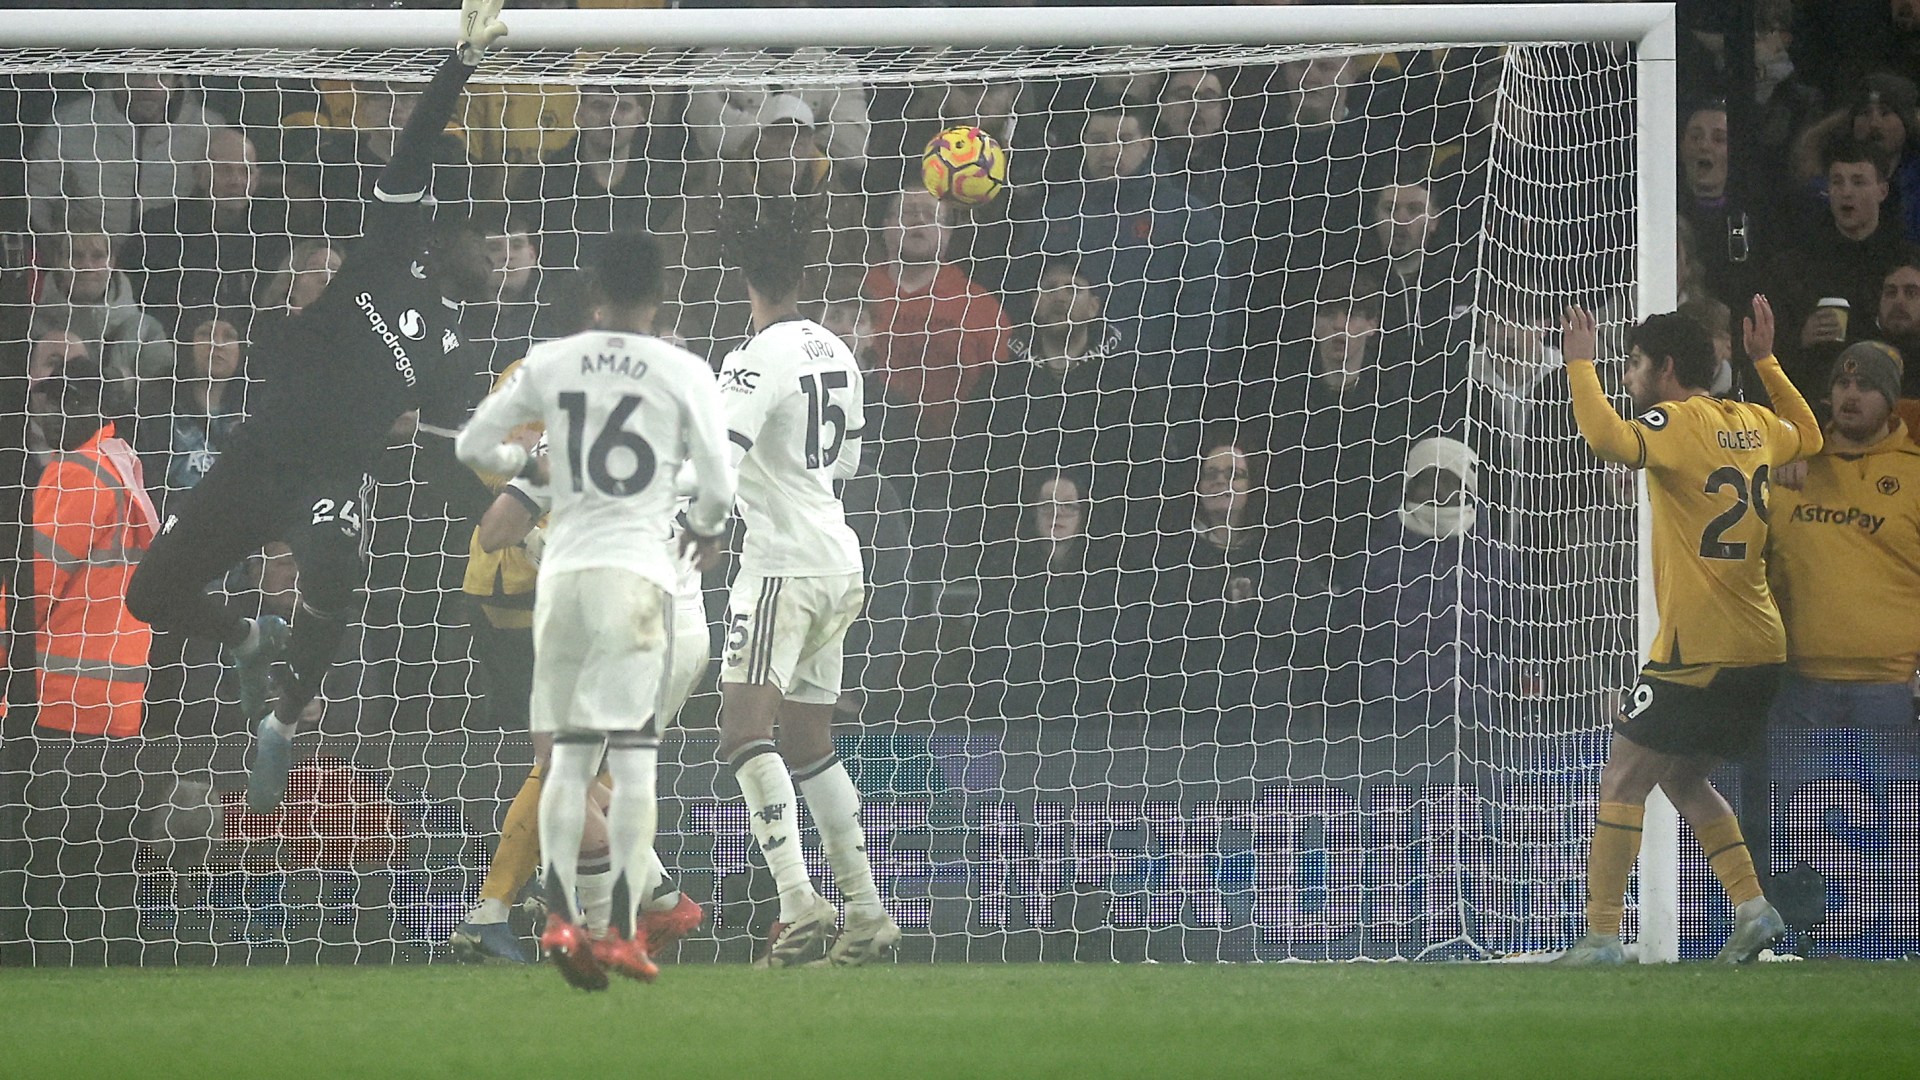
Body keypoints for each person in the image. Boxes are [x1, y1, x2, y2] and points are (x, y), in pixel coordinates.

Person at [123, 1, 508, 815]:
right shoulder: (390, 247)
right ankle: (244, 638)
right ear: (451, 240)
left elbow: (443, 461)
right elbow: (410, 150)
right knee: (149, 596)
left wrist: (513, 503)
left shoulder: (460, 353)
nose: (500, 258)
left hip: (331, 476)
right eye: (490, 243)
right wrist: (458, 68)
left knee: (339, 570)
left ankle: (284, 723)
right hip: (259, 454)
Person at [456, 228, 734, 991]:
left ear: (592, 295)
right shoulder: (682, 379)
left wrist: (529, 471)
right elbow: (718, 489)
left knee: (562, 768)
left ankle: (582, 918)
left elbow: (491, 500)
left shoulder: (561, 385)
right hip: (667, 609)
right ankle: (621, 920)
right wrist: (705, 532)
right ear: (659, 296)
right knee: (615, 773)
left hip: (582, 592)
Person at [1556, 296, 1822, 965]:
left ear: (1667, 368)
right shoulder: (1754, 421)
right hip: (1762, 647)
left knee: (1620, 782)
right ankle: (1755, 909)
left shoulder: (1674, 420)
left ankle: (1601, 937)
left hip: (1695, 649)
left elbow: (1607, 440)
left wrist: (1579, 368)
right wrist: (1767, 360)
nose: (1627, 375)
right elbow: (1810, 437)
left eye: (1635, 363)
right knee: (1681, 779)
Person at [447, 363, 706, 966]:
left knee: (564, 770)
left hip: (606, 624)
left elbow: (495, 526)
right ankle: (642, 905)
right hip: (682, 627)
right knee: (592, 774)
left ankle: (597, 919)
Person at [713, 195, 900, 969]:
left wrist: (685, 534)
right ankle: (866, 910)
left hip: (782, 567)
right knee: (807, 739)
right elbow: (847, 465)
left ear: (741, 278)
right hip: (839, 559)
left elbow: (720, 463)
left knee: (742, 732)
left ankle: (798, 901)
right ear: (802, 274)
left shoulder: (752, 360)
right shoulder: (835, 349)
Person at [1767, 342, 1920, 728]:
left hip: (1889, 685)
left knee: (1887, 792)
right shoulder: (1793, 465)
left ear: (1890, 400)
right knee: (1801, 792)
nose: (1850, 394)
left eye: (1866, 385)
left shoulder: (1915, 475)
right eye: (1842, 383)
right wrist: (1782, 455)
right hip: (1797, 682)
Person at [28, 357, 158, 739]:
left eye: (52, 404)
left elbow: (32, 587)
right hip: (116, 701)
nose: (42, 418)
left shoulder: (76, 473)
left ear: (79, 404)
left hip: (54, 699)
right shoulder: (121, 466)